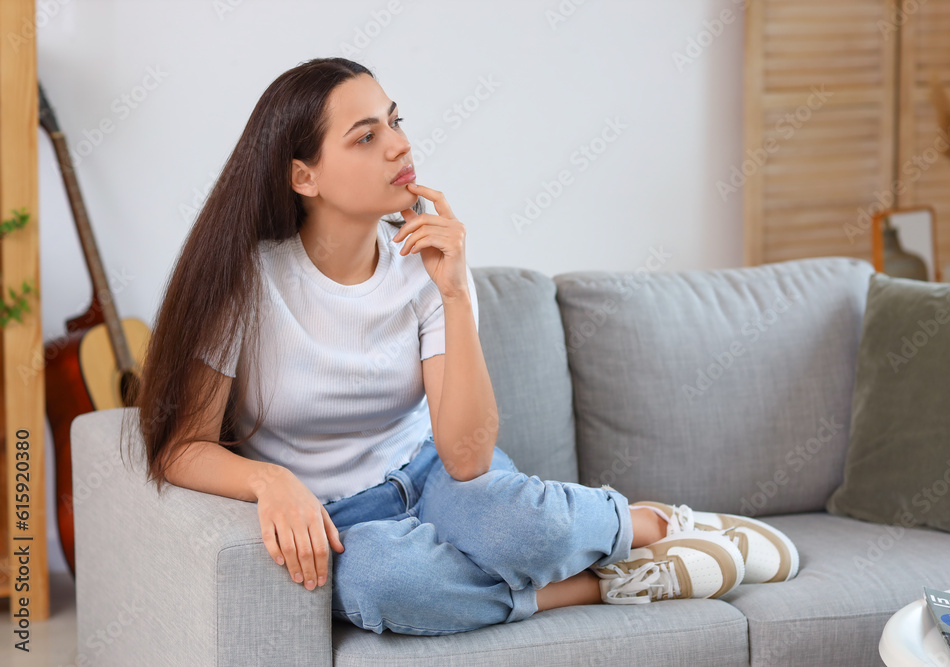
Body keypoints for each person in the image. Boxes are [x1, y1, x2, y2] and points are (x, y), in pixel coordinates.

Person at [130, 56, 799, 637]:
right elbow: (182, 445)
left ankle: (655, 523)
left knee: (522, 528)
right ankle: (611, 581)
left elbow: (469, 458)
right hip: (338, 516)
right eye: (367, 137)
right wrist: (269, 480)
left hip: (434, 474)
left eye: (395, 120)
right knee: (381, 586)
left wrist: (453, 292)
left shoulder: (429, 267)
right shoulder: (245, 285)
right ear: (304, 177)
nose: (399, 145)